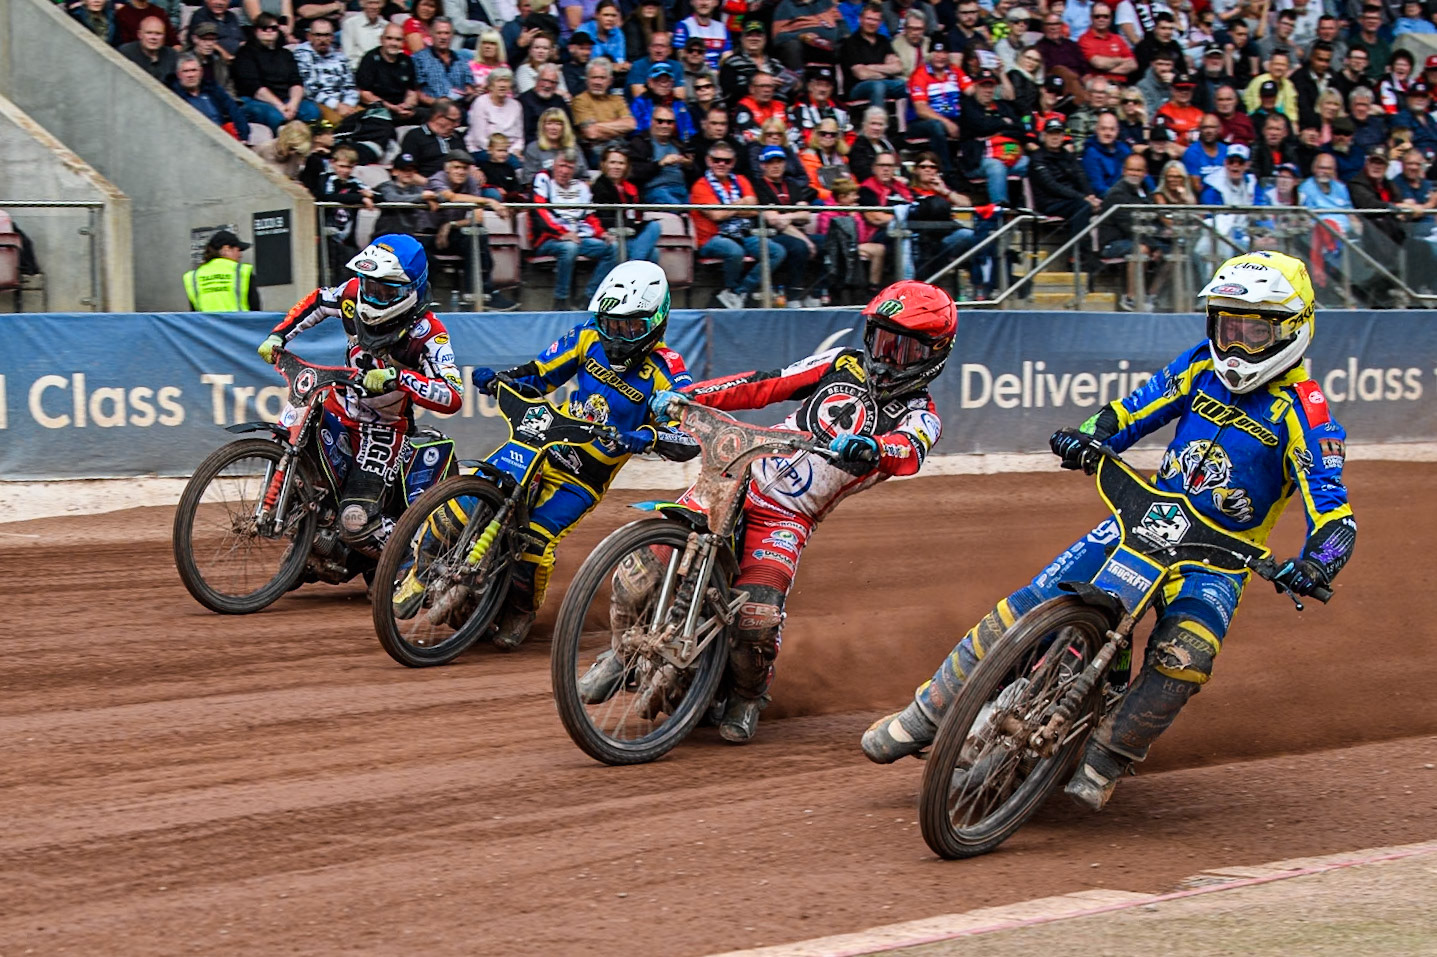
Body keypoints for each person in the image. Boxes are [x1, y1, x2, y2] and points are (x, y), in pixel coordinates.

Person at [863, 252, 1356, 816]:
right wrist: (1089, 436)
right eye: (1227, 326)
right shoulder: (1199, 365)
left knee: (1186, 653)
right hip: (1140, 518)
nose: (1236, 344)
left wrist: (1317, 564)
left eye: (1254, 330)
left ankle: (1107, 756)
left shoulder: (1308, 415)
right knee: (1024, 606)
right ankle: (923, 716)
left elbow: (1335, 515)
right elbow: (1131, 411)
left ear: (1293, 329)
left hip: (1216, 557)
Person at [608, 281, 956, 742]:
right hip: (736, 474)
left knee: (756, 619)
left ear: (933, 354)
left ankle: (748, 696)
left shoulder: (921, 415)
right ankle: (617, 653)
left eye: (903, 348)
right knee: (638, 569)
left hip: (786, 518)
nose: (887, 357)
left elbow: (908, 450)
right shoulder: (841, 363)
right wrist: (690, 397)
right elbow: (762, 384)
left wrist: (872, 447)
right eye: (881, 340)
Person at [466, 262, 697, 648]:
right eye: (611, 324)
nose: (618, 336)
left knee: (535, 539)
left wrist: (648, 436)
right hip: (546, 443)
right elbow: (539, 372)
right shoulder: (588, 336)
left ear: (657, 321)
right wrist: (500, 379)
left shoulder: (666, 369)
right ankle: (417, 570)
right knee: (475, 494)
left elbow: (690, 432)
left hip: (584, 478)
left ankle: (520, 610)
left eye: (631, 326)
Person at [256, 236, 463, 561]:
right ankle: (310, 537)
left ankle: (412, 560)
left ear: (410, 290)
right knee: (297, 462)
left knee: (355, 521)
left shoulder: (428, 333)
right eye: (369, 285)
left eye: (385, 291)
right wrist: (278, 334)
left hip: (383, 430)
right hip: (337, 409)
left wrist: (400, 378)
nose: (373, 295)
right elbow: (317, 301)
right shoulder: (353, 294)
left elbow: (452, 395)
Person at [691, 141, 783, 309]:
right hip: (711, 238)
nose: (721, 164)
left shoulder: (740, 180)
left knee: (776, 252)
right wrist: (741, 204)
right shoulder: (701, 185)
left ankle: (738, 292)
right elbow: (716, 215)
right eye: (717, 160)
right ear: (708, 160)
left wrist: (729, 208)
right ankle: (732, 289)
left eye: (726, 161)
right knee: (735, 251)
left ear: (732, 163)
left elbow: (755, 209)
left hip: (743, 233)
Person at [529, 149, 618, 309]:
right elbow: (539, 211)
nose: (564, 171)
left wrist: (601, 233)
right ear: (554, 165)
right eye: (561, 165)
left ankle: (589, 297)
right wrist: (562, 234)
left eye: (569, 167)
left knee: (613, 248)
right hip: (548, 238)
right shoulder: (543, 180)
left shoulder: (582, 187)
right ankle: (560, 300)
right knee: (569, 247)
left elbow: (590, 216)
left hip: (579, 237)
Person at [1101, 151, 1168, 310]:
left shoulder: (1144, 191)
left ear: (1145, 173)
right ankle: (1131, 297)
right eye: (1131, 169)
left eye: (1138, 170)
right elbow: (1130, 227)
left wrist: (1160, 242)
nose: (1134, 173)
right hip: (1113, 242)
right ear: (1124, 171)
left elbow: (1151, 219)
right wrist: (1153, 246)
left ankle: (1151, 295)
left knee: (1174, 250)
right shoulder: (1117, 193)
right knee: (1141, 249)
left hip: (1139, 236)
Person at [752, 145, 818, 306]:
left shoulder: (792, 185)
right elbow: (774, 221)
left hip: (795, 231)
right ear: (763, 165)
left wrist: (786, 216)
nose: (775, 166)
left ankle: (817, 292)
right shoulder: (758, 186)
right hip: (771, 234)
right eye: (771, 162)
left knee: (828, 242)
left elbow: (805, 215)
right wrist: (805, 239)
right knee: (800, 247)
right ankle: (793, 296)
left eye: (779, 162)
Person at [959, 68, 1028, 205]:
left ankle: (1027, 208)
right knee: (996, 166)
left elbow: (1020, 130)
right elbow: (980, 126)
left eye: (990, 86)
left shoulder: (1003, 106)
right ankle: (999, 208)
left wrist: (999, 133)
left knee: (1027, 162)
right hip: (978, 161)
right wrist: (1003, 122)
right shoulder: (968, 105)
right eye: (983, 86)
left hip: (1008, 156)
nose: (988, 90)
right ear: (976, 87)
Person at [1030, 118, 1102, 236]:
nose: (1054, 137)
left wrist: (1090, 195)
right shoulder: (1037, 158)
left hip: (1071, 199)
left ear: (1063, 136)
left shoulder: (1067, 155)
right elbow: (1051, 186)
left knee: (1105, 203)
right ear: (1044, 136)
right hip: (1050, 203)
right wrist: (1083, 198)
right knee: (1083, 206)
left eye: (1058, 133)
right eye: (1051, 133)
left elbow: (1081, 175)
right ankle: (1078, 250)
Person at [591, 147, 663, 264]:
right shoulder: (599, 187)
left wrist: (636, 224)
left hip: (630, 233)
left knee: (655, 230)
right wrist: (633, 224)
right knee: (652, 251)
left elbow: (638, 213)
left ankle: (633, 269)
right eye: (612, 162)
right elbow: (605, 219)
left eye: (621, 163)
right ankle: (632, 268)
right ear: (604, 164)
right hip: (614, 235)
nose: (617, 167)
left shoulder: (630, 187)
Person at [294, 17, 360, 127]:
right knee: (342, 124)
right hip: (319, 103)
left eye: (327, 35)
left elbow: (350, 85)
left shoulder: (340, 56)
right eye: (318, 35)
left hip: (345, 104)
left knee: (370, 119)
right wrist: (337, 105)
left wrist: (348, 105)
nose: (323, 39)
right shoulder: (301, 55)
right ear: (309, 36)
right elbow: (309, 90)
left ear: (333, 37)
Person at [170, 52, 251, 140]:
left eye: (194, 70)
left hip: (223, 137)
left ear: (201, 72)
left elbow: (234, 110)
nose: (191, 75)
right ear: (178, 74)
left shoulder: (212, 89)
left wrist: (243, 137)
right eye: (186, 71)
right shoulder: (173, 95)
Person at [355, 22, 421, 130]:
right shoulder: (370, 58)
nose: (393, 43)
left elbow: (412, 91)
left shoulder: (407, 60)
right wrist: (392, 107)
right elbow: (364, 94)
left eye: (398, 39)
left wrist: (407, 106)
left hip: (402, 109)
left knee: (430, 115)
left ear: (403, 42)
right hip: (379, 109)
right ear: (381, 40)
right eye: (389, 38)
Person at [840, 4, 906, 109]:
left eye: (876, 20)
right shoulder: (850, 43)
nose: (872, 23)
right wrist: (885, 71)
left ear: (880, 23)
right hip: (857, 87)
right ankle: (877, 121)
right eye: (869, 19)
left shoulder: (883, 41)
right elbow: (861, 74)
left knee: (907, 85)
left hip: (884, 83)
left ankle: (907, 123)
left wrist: (869, 67)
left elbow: (897, 67)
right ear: (860, 19)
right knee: (878, 86)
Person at [628, 104, 695, 204]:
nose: (665, 125)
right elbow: (633, 172)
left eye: (669, 122)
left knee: (701, 206)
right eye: (660, 121)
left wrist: (689, 165)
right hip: (655, 190)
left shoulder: (678, 143)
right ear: (651, 121)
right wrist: (660, 163)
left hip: (682, 190)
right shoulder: (640, 142)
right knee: (676, 206)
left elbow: (696, 175)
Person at [184, 229, 260, 311]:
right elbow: (256, 312)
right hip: (238, 323)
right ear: (226, 249)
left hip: (206, 324)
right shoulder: (242, 272)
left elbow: (193, 315)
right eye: (238, 250)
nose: (240, 255)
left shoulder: (193, 277)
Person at [571, 59, 635, 157]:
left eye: (602, 78)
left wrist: (598, 126)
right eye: (594, 77)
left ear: (610, 81)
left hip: (621, 147)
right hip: (595, 151)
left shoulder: (617, 99)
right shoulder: (580, 100)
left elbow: (631, 124)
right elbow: (591, 133)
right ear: (587, 79)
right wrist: (619, 128)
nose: (598, 82)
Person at [411, 18, 475, 108]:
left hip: (459, 107)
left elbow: (469, 89)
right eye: (439, 33)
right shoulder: (419, 58)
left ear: (452, 35)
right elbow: (418, 93)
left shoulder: (461, 59)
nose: (443, 37)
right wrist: (442, 105)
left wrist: (472, 94)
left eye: (447, 33)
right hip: (433, 108)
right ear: (431, 34)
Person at [466, 67, 525, 155]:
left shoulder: (516, 105)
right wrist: (500, 152)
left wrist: (514, 150)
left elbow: (519, 137)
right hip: (484, 150)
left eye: (506, 81)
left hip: (510, 152)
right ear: (490, 85)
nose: (502, 85)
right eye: (498, 81)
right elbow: (479, 139)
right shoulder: (480, 103)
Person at [400, 99, 466, 176]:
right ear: (438, 117)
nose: (457, 125)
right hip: (428, 184)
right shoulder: (414, 136)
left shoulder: (457, 136)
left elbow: (468, 161)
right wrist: (434, 185)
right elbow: (408, 172)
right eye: (453, 120)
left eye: (458, 120)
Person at [522, 108, 589, 183]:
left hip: (573, 190)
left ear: (564, 127)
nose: (554, 128)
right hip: (545, 190)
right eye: (549, 123)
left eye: (558, 124)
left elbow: (585, 177)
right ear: (543, 126)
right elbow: (528, 180)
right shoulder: (533, 148)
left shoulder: (574, 147)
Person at [1082, 109, 1133, 195]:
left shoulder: (1123, 149)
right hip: (1108, 200)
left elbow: (1140, 172)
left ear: (1117, 131)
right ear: (1096, 130)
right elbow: (1098, 187)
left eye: (1112, 129)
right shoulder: (1091, 153)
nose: (1107, 133)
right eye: (1103, 129)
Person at [119, 16, 179, 83]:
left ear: (164, 36)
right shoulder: (126, 53)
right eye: (149, 33)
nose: (153, 37)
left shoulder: (172, 56)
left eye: (158, 33)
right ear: (139, 35)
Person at [342, 0, 387, 70]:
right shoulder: (350, 24)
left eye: (377, 3)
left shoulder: (387, 26)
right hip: (359, 70)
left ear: (382, 4)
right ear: (362, 4)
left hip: (383, 71)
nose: (374, 7)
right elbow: (348, 57)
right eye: (370, 3)